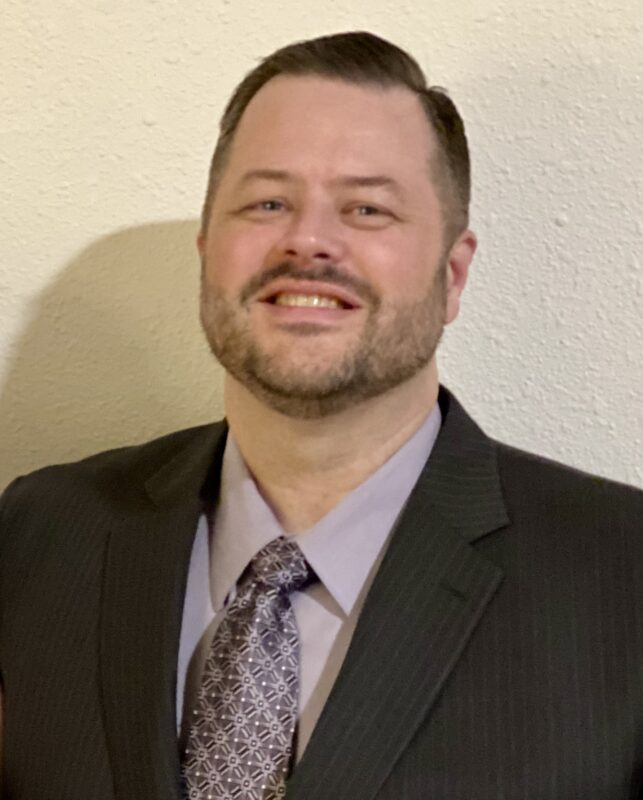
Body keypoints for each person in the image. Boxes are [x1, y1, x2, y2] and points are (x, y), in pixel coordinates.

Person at [0, 30, 642, 800]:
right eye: (267, 202)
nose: (307, 240)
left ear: (452, 274)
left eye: (367, 208)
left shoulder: (623, 576)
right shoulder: (40, 532)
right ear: (209, 250)